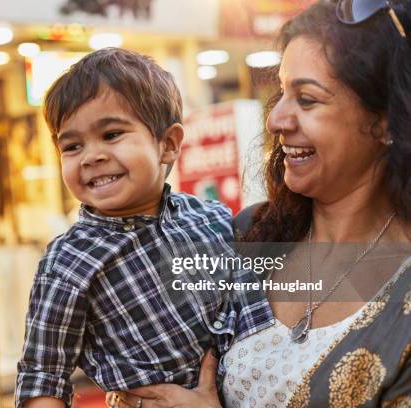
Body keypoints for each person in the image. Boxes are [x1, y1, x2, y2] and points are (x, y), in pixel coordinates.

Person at [111, 0, 411, 406]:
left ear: (386, 121)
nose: (277, 119)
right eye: (282, 92)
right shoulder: (247, 235)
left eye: (307, 100)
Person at [14, 48, 274, 407]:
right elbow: (42, 376)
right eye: (72, 145)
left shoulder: (211, 219)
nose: (91, 156)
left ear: (168, 144)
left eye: (111, 135)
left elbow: (256, 312)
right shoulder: (69, 261)